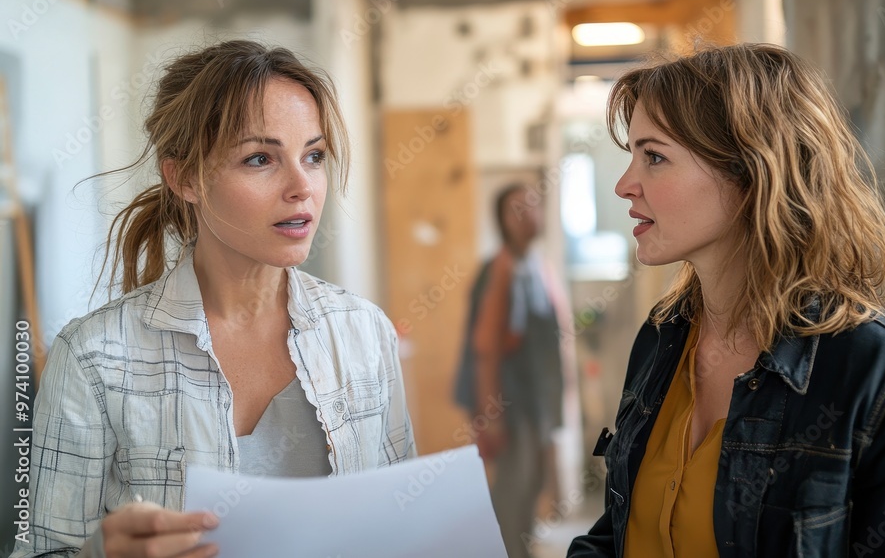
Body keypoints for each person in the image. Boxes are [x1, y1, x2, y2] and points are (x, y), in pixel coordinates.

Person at [568, 43, 885, 558]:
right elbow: (619, 533)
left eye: (654, 157)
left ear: (750, 172)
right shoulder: (660, 339)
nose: (625, 185)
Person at [12, 40, 415, 558]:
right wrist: (98, 555)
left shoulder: (365, 333)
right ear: (184, 177)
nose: (303, 187)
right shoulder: (93, 360)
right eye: (259, 159)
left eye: (313, 155)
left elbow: (408, 525)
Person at [453, 183, 567, 558]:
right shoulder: (500, 269)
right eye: (517, 208)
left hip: (536, 403)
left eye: (533, 204)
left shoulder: (537, 265)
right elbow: (485, 350)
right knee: (512, 493)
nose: (528, 213)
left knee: (532, 486)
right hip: (509, 405)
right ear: (501, 220)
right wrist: (491, 417)